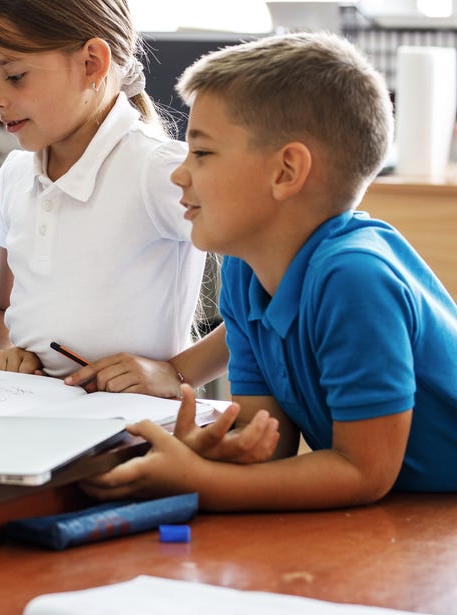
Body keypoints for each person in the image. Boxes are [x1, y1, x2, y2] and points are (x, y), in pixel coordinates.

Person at [83, 32, 457, 509]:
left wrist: (199, 481)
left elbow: (364, 472)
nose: (180, 173)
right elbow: (269, 442)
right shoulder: (245, 271)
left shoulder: (355, 278)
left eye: (201, 153)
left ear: (285, 172)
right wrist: (209, 454)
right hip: (408, 517)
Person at [0, 0, 206, 395]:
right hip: (35, 414)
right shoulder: (17, 173)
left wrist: (176, 373)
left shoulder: (157, 168)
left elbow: (275, 286)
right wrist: (7, 351)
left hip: (135, 426)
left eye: (14, 76)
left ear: (92, 63)